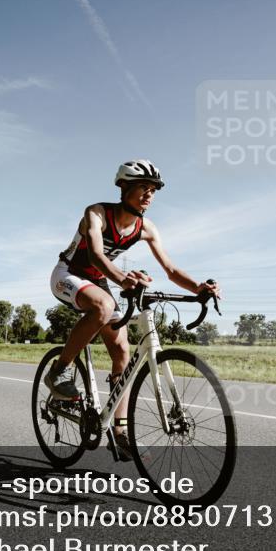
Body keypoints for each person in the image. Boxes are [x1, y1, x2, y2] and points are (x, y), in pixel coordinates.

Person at [47, 159, 221, 461]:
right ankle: (60, 369)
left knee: (122, 353)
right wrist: (123, 279)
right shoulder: (97, 214)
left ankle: (120, 431)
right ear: (124, 187)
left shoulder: (146, 228)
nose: (149, 194)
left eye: (153, 189)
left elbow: (170, 269)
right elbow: (97, 256)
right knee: (104, 305)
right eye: (143, 187)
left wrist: (199, 288)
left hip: (99, 281)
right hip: (68, 274)